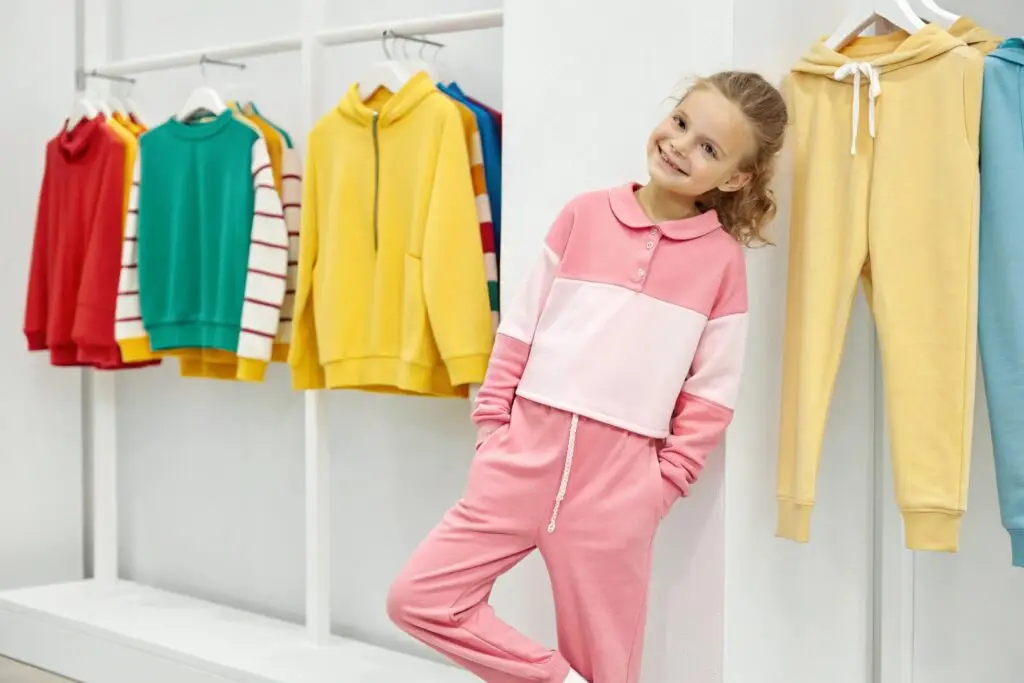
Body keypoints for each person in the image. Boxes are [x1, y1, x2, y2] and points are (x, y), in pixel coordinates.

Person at [386, 71, 788, 683]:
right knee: (419, 598)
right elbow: (519, 328)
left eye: (709, 147)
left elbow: (712, 390)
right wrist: (495, 429)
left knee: (610, 663)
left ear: (735, 178)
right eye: (681, 123)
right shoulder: (584, 215)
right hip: (522, 454)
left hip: (619, 484)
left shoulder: (721, 262)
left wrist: (662, 486)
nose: (681, 145)